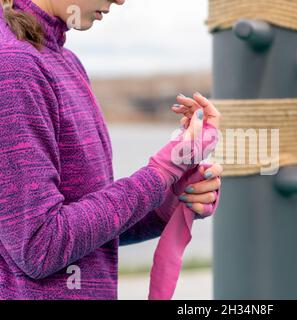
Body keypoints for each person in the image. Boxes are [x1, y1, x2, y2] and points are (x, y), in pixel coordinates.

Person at [0, 0, 222, 299]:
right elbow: (40, 247)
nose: (120, 0)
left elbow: (87, 232)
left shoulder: (65, 61)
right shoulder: (14, 67)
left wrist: (166, 203)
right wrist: (160, 172)